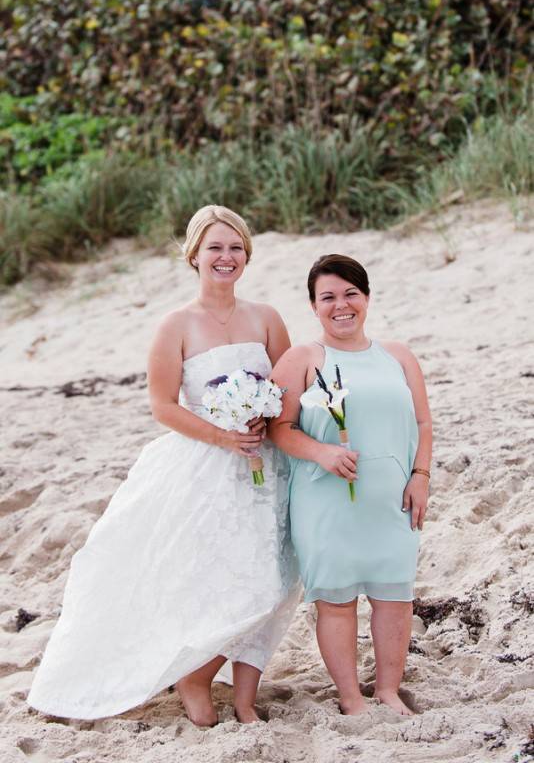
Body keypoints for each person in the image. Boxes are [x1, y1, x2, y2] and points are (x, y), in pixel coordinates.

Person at [27, 205, 300, 727]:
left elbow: (287, 387)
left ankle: (234, 689)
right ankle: (194, 674)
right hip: (205, 466)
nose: (227, 257)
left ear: (247, 255)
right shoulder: (175, 324)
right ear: (194, 254)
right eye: (216, 247)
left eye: (236, 247)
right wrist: (225, 436)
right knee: (212, 576)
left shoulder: (266, 317)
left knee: (275, 577)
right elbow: (163, 406)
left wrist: (268, 418)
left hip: (267, 466)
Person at [269, 253, 432, 716]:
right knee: (336, 601)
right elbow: (279, 428)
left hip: (392, 497)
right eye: (328, 297)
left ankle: (387, 690)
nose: (341, 306)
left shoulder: (397, 355)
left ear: (366, 298)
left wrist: (421, 476)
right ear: (313, 305)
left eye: (350, 294)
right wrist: (323, 451)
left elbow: (422, 421)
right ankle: (349, 698)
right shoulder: (302, 358)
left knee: (394, 597)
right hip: (326, 499)